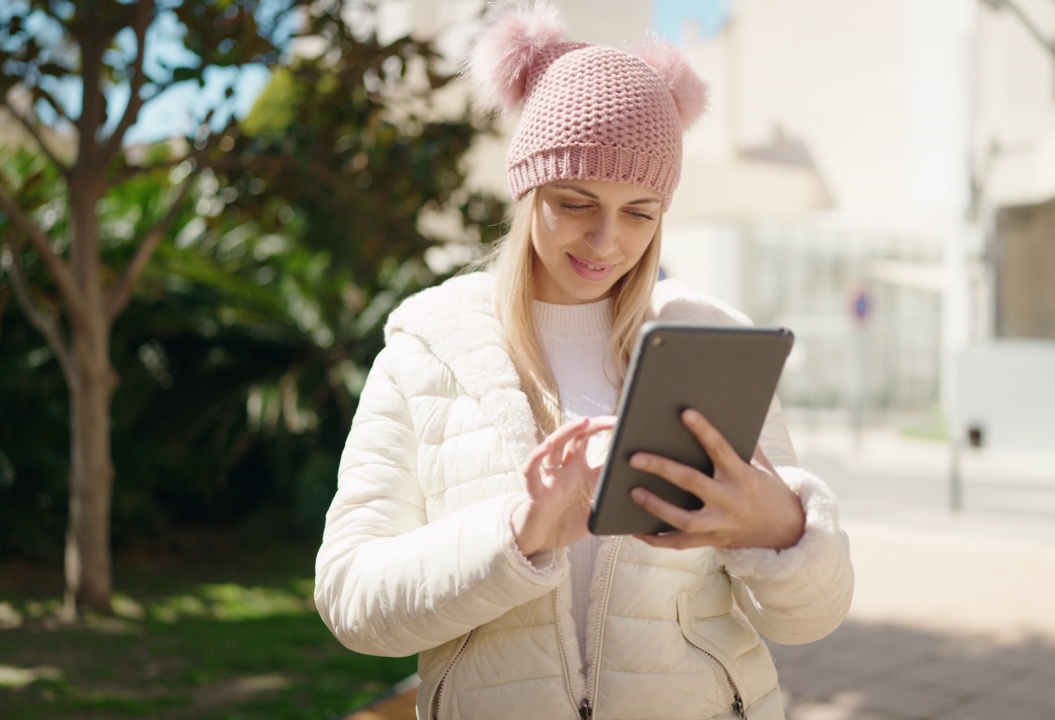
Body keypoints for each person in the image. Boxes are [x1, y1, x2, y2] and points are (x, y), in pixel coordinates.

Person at [312, 4, 855, 719]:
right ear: (528, 187)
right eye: (575, 202)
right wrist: (520, 532)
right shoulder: (427, 345)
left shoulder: (708, 339)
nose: (605, 241)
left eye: (640, 212)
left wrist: (779, 527)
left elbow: (810, 620)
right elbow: (351, 599)